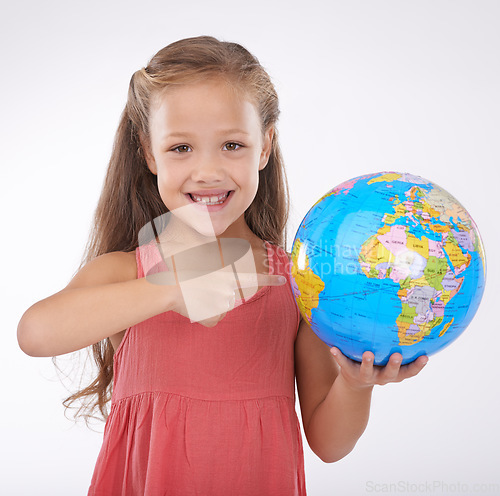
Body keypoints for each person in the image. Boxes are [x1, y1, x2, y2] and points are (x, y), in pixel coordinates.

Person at [17, 35, 428, 495]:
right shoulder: (126, 273)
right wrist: (170, 289)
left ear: (265, 146)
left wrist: (356, 386)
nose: (208, 171)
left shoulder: (298, 285)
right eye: (181, 148)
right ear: (149, 152)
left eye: (232, 145)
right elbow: (35, 333)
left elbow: (329, 444)